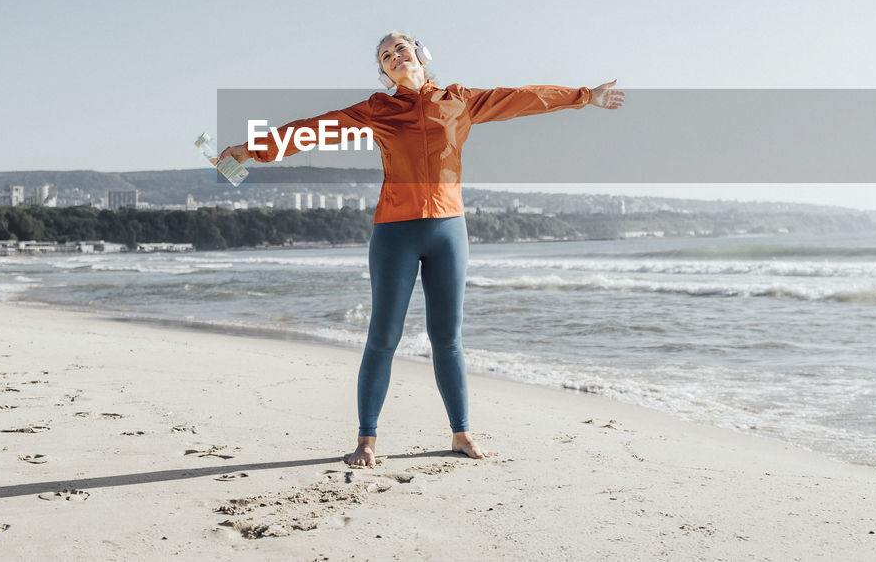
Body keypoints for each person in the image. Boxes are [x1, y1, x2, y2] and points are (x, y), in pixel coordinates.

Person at [218, 32, 624, 467]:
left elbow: (523, 98)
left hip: (449, 230)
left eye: (400, 49)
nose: (395, 57)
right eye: (385, 56)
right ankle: (366, 439)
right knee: (383, 337)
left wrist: (585, 96)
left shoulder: (460, 100)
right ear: (383, 71)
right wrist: (247, 151)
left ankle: (461, 433)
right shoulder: (378, 109)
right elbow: (312, 130)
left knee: (447, 338)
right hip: (395, 231)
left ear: (420, 54)